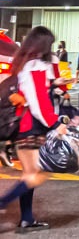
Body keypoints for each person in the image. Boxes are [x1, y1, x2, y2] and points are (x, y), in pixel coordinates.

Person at [0, 26, 69, 233]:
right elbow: (37, 101)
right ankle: (4, 203)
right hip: (30, 125)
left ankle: (27, 219)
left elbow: (29, 89)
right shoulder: (37, 65)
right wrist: (55, 123)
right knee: (37, 174)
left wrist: (53, 82)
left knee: (29, 174)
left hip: (21, 124)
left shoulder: (23, 63)